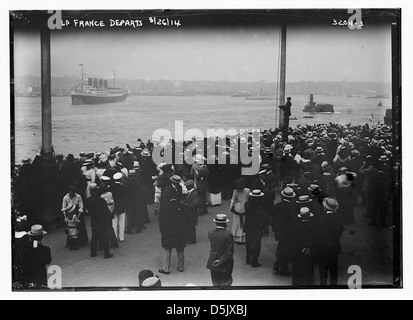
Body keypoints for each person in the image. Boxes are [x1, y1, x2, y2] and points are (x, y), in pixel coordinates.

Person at [159, 175, 186, 275]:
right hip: (178, 222)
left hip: (170, 222)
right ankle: (181, 266)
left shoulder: (168, 190)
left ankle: (166, 268)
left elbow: (168, 205)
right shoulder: (178, 188)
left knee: (168, 247)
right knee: (180, 246)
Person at [317, 198, 343, 287]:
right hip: (334, 247)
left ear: (325, 208)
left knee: (323, 272)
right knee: (334, 271)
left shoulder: (321, 220)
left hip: (323, 248)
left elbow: (319, 235)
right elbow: (340, 232)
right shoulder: (339, 219)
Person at [85, 184, 113, 259]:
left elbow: (88, 210)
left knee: (94, 237)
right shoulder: (101, 200)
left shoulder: (88, 200)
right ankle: (106, 254)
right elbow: (106, 211)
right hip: (102, 221)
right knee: (105, 237)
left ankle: (93, 253)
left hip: (94, 220)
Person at [272, 187, 296, 276]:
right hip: (289, 232)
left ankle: (277, 264)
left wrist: (275, 229)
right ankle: (283, 269)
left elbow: (273, 220)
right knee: (286, 250)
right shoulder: (292, 208)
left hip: (279, 231)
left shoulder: (277, 206)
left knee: (280, 247)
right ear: (291, 197)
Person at [207, 214, 235, 287]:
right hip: (225, 264)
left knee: (215, 284)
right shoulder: (228, 234)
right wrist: (220, 261)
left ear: (216, 223)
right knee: (226, 284)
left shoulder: (210, 232)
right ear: (225, 223)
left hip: (212, 262)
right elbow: (229, 252)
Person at [291, 207, 317, 287]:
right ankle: (309, 284)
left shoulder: (295, 225)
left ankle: (296, 284)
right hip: (309, 249)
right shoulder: (313, 225)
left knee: (296, 267)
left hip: (297, 249)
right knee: (309, 267)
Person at [244, 190, 267, 268]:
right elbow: (263, 218)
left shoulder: (247, 204)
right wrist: (265, 228)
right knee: (257, 244)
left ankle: (248, 258)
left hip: (248, 225)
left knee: (248, 242)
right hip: (257, 226)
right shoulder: (261, 206)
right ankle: (254, 261)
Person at [230, 178, 250, 244]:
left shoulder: (235, 191)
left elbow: (233, 200)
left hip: (237, 209)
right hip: (245, 209)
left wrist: (231, 208)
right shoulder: (247, 191)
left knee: (237, 224)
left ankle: (237, 238)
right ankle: (244, 238)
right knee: (244, 223)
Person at [112, 172, 126, 242]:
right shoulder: (123, 187)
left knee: (114, 222)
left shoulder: (111, 187)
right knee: (122, 222)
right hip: (121, 206)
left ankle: (115, 237)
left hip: (114, 206)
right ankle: (121, 237)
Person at [183, 180, 199, 245]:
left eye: (187, 186)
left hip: (192, 213)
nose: (186, 188)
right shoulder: (191, 193)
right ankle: (189, 239)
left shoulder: (194, 194)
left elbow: (194, 204)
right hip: (190, 213)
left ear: (190, 186)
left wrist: (185, 204)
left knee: (191, 226)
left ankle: (192, 240)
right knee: (189, 226)